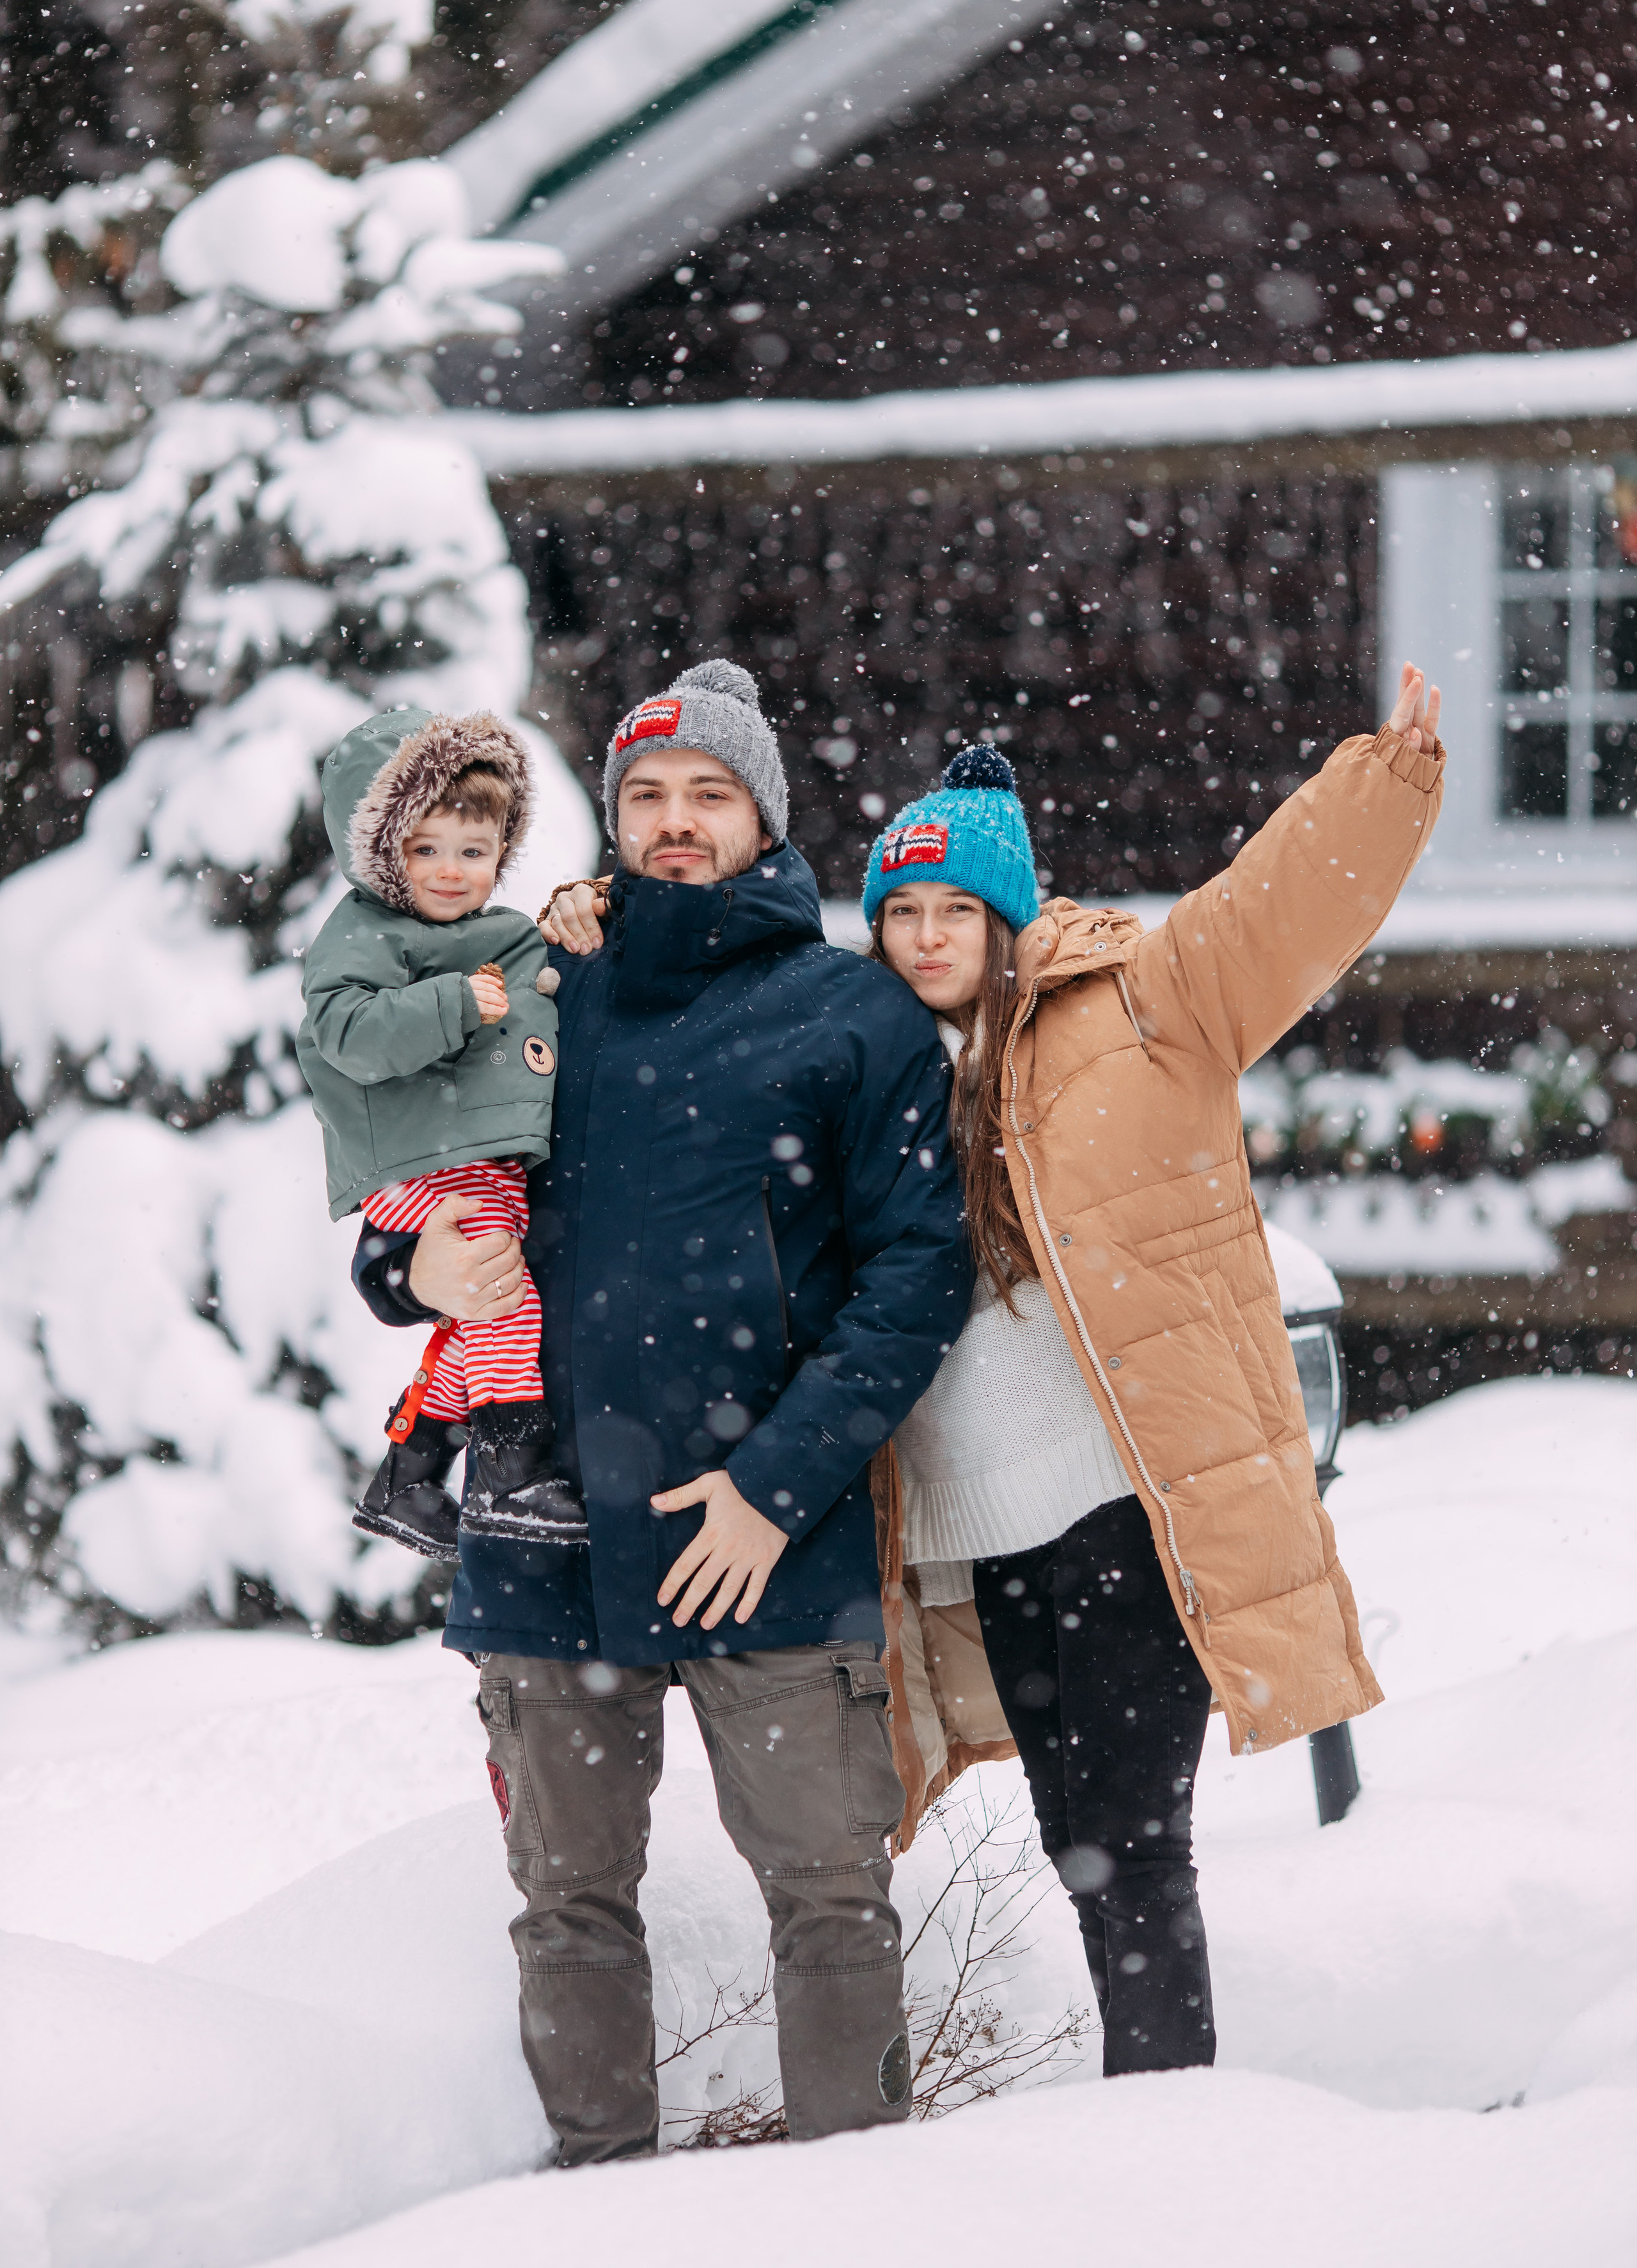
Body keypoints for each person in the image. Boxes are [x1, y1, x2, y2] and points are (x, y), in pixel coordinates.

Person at [350, 658, 971, 2164]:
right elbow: (402, 1192)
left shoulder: (851, 1013)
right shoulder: (530, 994)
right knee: (566, 1905)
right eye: (646, 795)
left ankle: (867, 2211)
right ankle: (594, 2204)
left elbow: (917, 1276)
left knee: (829, 1898)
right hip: (546, 1518)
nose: (675, 821)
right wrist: (407, 1265)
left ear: (764, 817)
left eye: (709, 794)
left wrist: (774, 1487)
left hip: (765, 1533)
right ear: (614, 816)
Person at [849, 662, 1445, 2076]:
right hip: (985, 1526)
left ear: (1008, 918)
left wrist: (1381, 785)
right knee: (1074, 1836)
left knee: (1132, 1840)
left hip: (1126, 1501)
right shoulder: (871, 1069)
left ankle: (1169, 2127)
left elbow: (1271, 911)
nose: (926, 938)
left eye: (954, 911)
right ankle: (1148, 2107)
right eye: (900, 914)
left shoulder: (1140, 1006)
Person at [297, 707, 586, 1558]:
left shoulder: (494, 931)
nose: (453, 872)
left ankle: (411, 1474)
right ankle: (509, 1472)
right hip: (420, 1158)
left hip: (466, 1155)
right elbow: (347, 1032)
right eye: (425, 849)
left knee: (476, 1315)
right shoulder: (366, 932)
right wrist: (451, 1004)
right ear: (383, 853)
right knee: (504, 1301)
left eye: (475, 850)